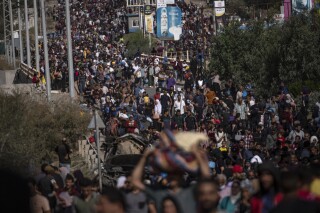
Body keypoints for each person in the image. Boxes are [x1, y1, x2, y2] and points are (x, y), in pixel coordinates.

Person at [132, 145, 210, 213]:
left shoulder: (190, 192)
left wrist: (199, 157)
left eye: (175, 173)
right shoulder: (159, 193)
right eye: (169, 173)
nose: (172, 175)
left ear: (181, 174)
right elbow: (135, 181)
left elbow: (207, 179)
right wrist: (144, 157)